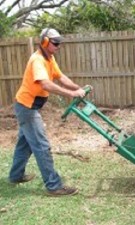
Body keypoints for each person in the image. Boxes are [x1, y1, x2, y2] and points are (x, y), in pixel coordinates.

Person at [8, 28, 89, 196]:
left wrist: (77, 88)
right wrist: (71, 94)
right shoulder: (37, 60)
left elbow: (61, 77)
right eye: (55, 42)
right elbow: (45, 84)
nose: (59, 46)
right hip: (26, 108)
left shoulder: (49, 58)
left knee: (25, 145)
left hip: (29, 107)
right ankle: (54, 186)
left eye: (59, 42)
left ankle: (16, 175)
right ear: (44, 42)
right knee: (42, 146)